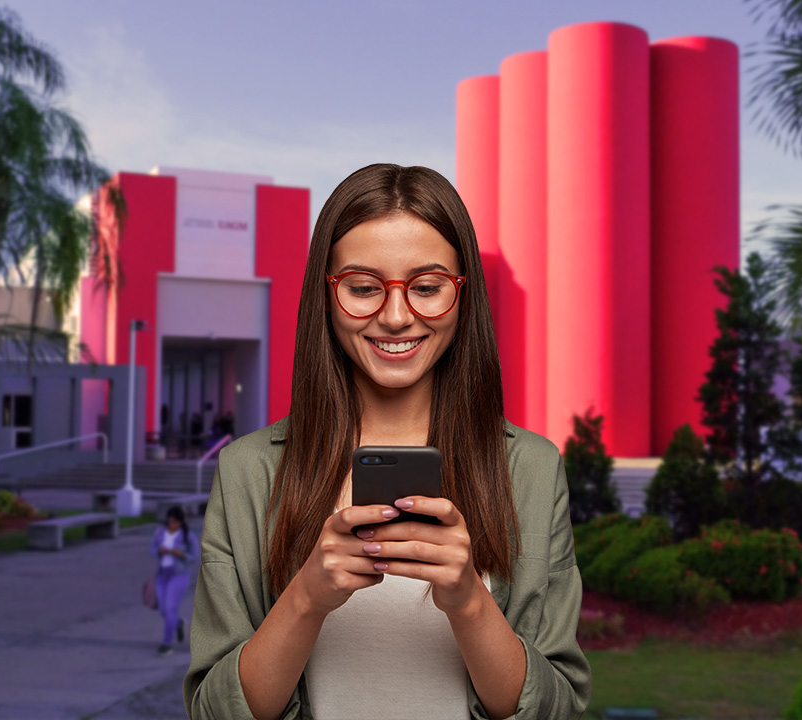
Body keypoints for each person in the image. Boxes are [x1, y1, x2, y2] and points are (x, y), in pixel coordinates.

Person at [185, 164, 591, 720]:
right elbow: (211, 712)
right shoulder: (247, 471)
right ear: (326, 297)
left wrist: (469, 601)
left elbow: (561, 708)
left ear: (463, 293)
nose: (396, 317)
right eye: (362, 288)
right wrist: (305, 598)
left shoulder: (531, 469)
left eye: (427, 288)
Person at [150, 505, 198, 656]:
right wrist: (159, 550)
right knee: (164, 610)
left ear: (181, 522)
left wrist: (181, 555)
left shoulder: (187, 535)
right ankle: (178, 623)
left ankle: (167, 643)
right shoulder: (160, 533)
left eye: (176, 523)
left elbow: (194, 555)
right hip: (162, 575)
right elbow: (152, 549)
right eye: (170, 522)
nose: (173, 526)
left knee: (170, 608)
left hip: (179, 575)